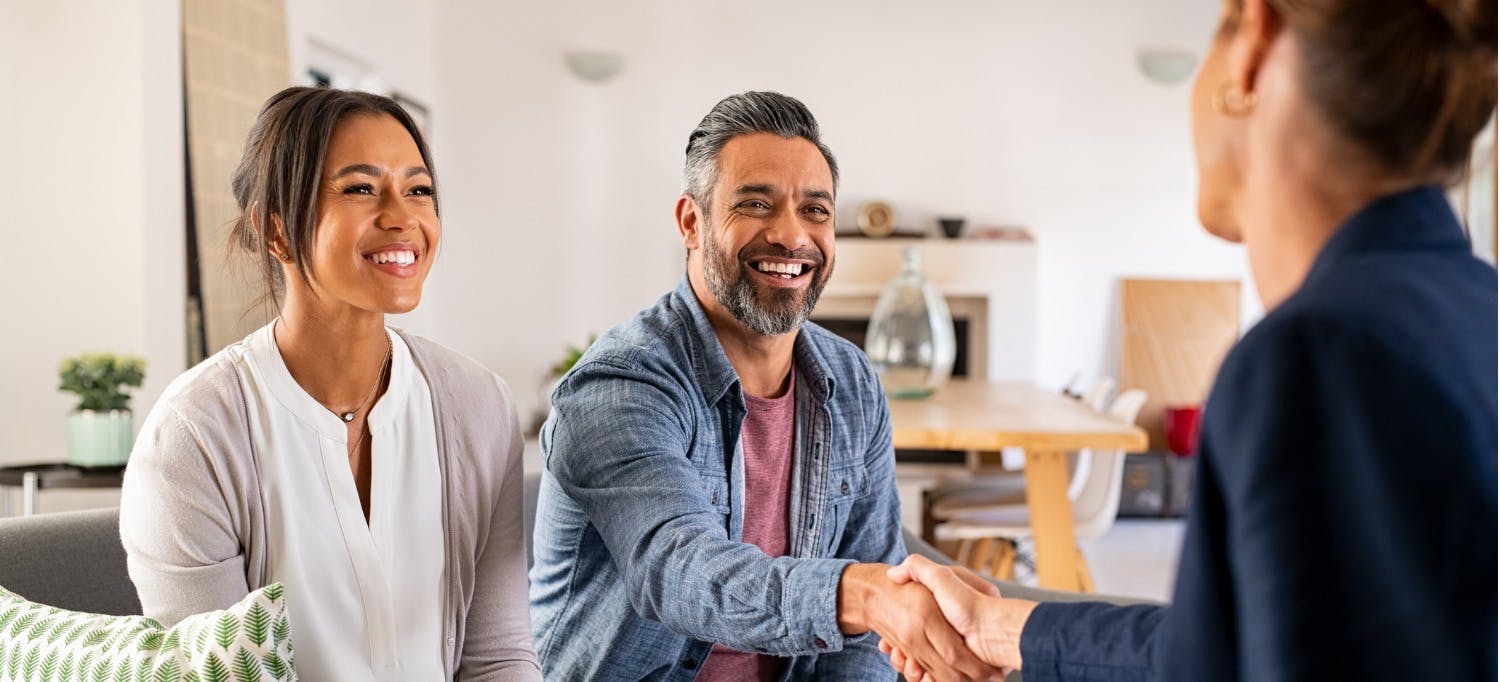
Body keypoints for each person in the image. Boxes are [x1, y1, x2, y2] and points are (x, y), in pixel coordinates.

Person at [881, 0, 1498, 679]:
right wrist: (1004, 630)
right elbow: (1231, 647)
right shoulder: (1474, 311)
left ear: (1252, 47)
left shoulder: (1319, 357)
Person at [528, 91, 1002, 681]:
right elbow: (680, 572)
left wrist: (881, 602)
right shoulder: (620, 385)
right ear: (691, 222)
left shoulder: (851, 383)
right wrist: (868, 596)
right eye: (756, 204)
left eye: (815, 210)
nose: (790, 236)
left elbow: (867, 634)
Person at [119, 87, 541, 680]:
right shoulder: (194, 436)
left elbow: (497, 657)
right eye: (360, 188)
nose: (403, 218)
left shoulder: (478, 406)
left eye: (419, 190)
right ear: (278, 232)